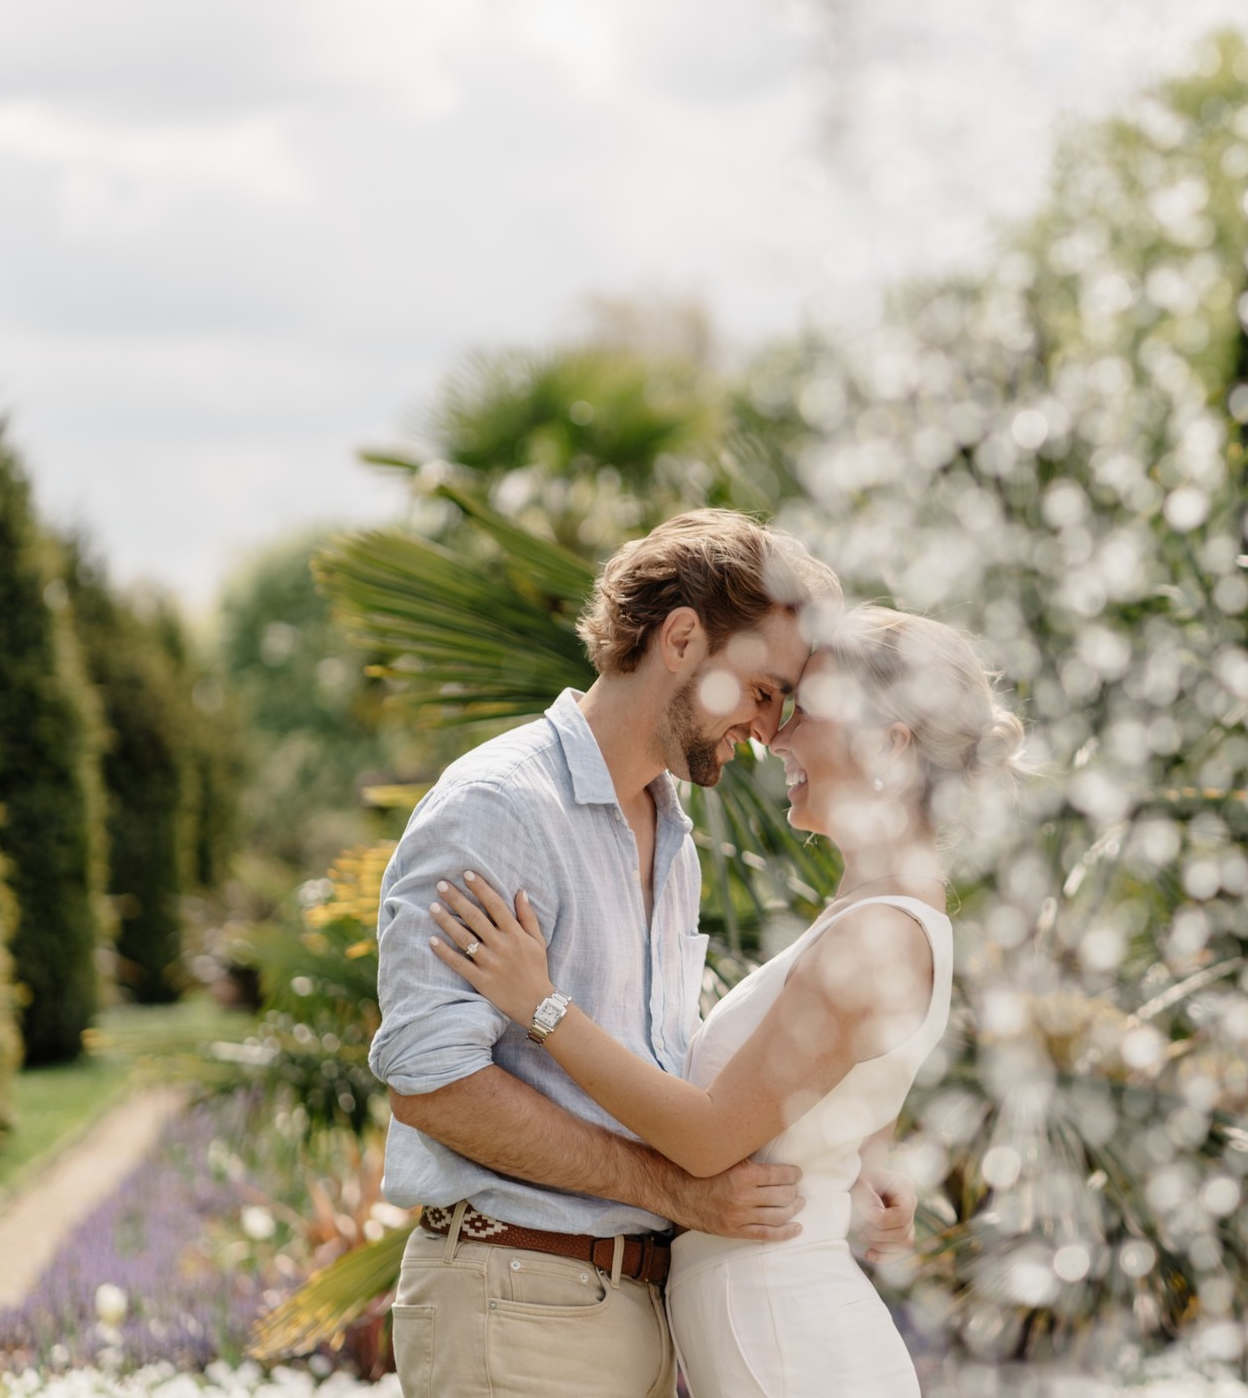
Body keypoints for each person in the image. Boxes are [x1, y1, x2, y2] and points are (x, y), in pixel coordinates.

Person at [367, 510, 917, 1398]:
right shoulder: (500, 807)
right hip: (518, 1299)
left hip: (634, 1307)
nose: (771, 729)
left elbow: (682, 1069)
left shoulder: (674, 832)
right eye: (763, 689)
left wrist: (854, 1154)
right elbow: (432, 1084)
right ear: (683, 638)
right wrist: (678, 1192)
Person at [433, 605, 1022, 1396]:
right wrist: (868, 1161)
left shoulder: (874, 933)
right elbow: (855, 1074)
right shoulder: (879, 912)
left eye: (804, 712)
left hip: (787, 1342)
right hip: (771, 1327)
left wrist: (542, 1007)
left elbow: (709, 1140)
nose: (774, 737)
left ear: (888, 744)